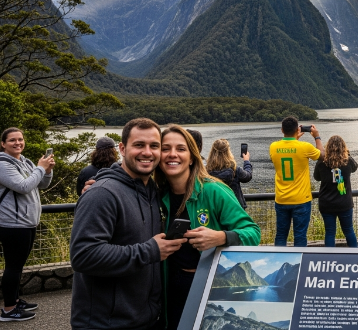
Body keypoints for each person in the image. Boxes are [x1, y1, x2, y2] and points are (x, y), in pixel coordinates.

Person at [70, 118, 186, 329]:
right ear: (122, 148)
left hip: (145, 318)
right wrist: (150, 250)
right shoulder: (102, 194)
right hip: (105, 323)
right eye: (139, 145)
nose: (147, 152)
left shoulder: (152, 191)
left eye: (154, 146)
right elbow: (83, 256)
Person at [157, 125, 261, 330]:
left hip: (207, 285)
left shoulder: (213, 190)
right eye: (165, 148)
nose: (172, 154)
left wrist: (221, 237)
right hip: (169, 284)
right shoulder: (157, 194)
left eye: (180, 148)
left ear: (192, 157)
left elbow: (253, 233)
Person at [0, 128, 54, 322]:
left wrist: (47, 171)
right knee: (13, 266)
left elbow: (41, 185)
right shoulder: (2, 165)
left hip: (27, 222)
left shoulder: (25, 161)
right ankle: (8, 310)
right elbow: (23, 187)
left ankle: (14, 300)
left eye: (20, 139)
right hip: (12, 224)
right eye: (12, 140)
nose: (18, 143)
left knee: (18, 265)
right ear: (3, 144)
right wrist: (40, 168)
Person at [269, 116, 324, 247]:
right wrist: (317, 137)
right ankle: (299, 264)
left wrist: (294, 139)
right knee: (300, 235)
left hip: (282, 199)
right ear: (296, 129)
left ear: (282, 130)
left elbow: (288, 152)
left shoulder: (273, 147)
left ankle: (279, 261)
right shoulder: (305, 147)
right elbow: (322, 155)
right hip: (301, 200)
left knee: (281, 234)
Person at [313, 135, 358, 247]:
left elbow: (317, 177)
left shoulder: (321, 162)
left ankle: (330, 258)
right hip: (344, 203)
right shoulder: (348, 161)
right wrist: (348, 154)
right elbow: (355, 167)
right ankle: (356, 255)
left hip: (327, 203)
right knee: (348, 230)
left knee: (330, 232)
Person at [206, 139, 253, 209]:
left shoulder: (206, 171)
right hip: (235, 208)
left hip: (216, 208)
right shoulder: (234, 170)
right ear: (228, 152)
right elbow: (247, 176)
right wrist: (246, 161)